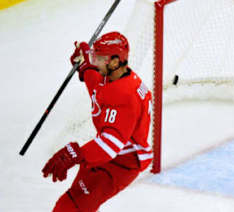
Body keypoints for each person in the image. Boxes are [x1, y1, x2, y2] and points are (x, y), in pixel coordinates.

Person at [42, 31, 153, 211]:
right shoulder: (113, 77)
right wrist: (85, 65)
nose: (95, 62)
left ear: (115, 62)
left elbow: (110, 145)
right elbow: (97, 89)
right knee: (75, 203)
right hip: (105, 155)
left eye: (99, 58)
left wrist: (75, 153)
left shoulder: (126, 97)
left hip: (122, 163)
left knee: (70, 207)